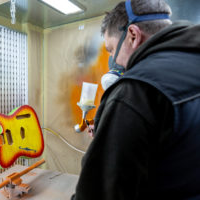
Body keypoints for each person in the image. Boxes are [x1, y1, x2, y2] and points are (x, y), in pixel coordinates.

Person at [71, 0, 200, 199]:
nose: (115, 61)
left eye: (112, 50)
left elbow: (96, 192)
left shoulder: (135, 91)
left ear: (132, 35)